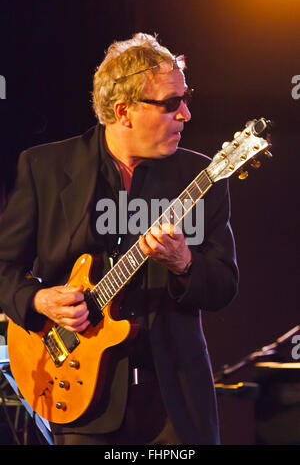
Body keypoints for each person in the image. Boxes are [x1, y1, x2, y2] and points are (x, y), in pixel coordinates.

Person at [0, 33, 239, 445]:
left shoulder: (203, 180)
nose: (184, 114)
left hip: (175, 403)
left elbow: (223, 288)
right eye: (170, 103)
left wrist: (184, 264)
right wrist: (38, 300)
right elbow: (3, 268)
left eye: (186, 98)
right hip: (77, 391)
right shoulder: (44, 167)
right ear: (123, 111)